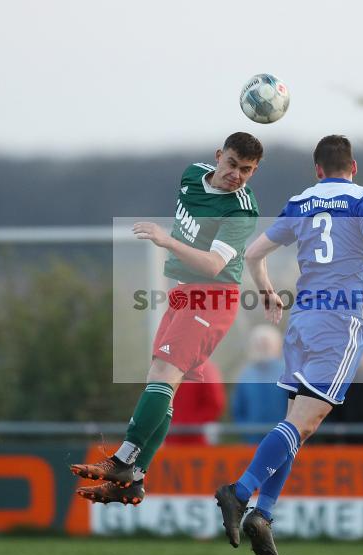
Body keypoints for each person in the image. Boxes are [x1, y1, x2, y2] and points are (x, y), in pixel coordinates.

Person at [215, 135, 363, 555]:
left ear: (318, 171)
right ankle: (237, 492)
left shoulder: (301, 201)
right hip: (339, 324)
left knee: (297, 425)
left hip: (301, 324)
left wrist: (268, 293)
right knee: (303, 424)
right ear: (354, 167)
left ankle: (263, 513)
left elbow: (254, 254)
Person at [70, 132, 263, 505]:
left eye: (247, 170)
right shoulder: (193, 175)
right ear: (218, 156)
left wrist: (167, 241)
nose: (237, 175)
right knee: (160, 383)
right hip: (183, 295)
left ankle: (124, 460)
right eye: (233, 165)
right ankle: (136, 479)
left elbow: (213, 264)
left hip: (213, 298)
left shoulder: (241, 209)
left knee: (162, 376)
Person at [231, 325, 288, 443]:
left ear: (277, 345)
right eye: (259, 344)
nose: (263, 347)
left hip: (283, 440)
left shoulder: (287, 372)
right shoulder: (246, 374)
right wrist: (245, 431)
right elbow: (238, 408)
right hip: (252, 440)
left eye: (266, 344)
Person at [166, 359, 226, 446]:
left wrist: (190, 425)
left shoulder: (205, 370)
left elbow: (215, 404)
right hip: (172, 438)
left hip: (195, 439)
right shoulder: (170, 368)